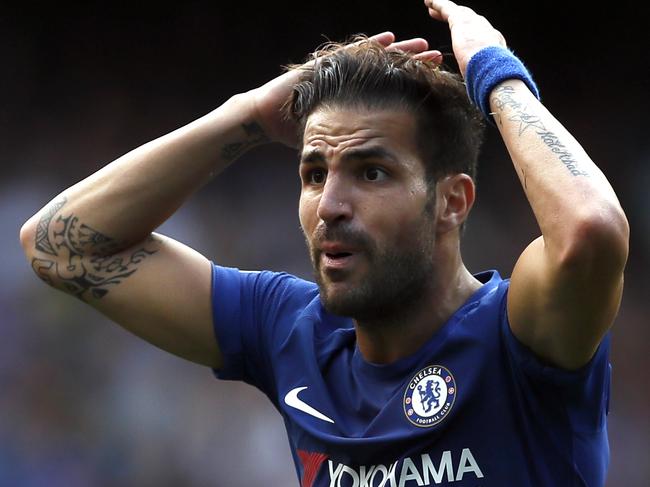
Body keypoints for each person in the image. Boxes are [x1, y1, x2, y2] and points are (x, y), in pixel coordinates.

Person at [20, 1, 629, 486]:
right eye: (314, 174)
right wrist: (250, 113)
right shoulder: (291, 334)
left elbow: (591, 232)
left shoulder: (519, 334)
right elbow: (59, 247)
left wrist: (496, 77)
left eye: (371, 172)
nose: (330, 208)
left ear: (452, 201)